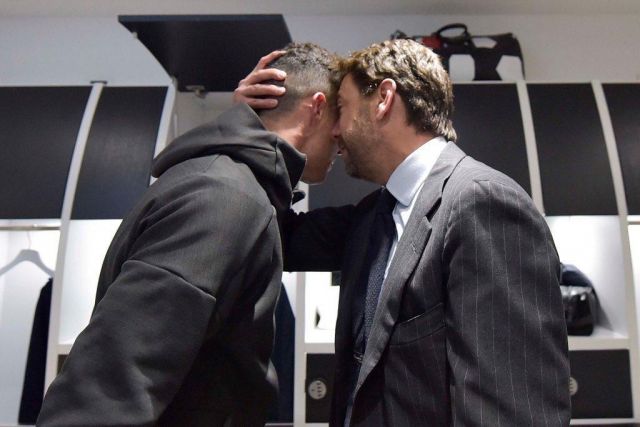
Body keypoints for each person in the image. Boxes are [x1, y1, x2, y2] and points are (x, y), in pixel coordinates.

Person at [236, 39, 571, 426]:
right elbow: (275, 234)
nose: (334, 132)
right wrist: (252, 130)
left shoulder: (482, 202)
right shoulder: (375, 215)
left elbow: (512, 410)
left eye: (341, 108)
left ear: (383, 98)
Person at [37, 42, 339, 427]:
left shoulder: (236, 190)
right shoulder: (223, 196)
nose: (343, 137)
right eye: (340, 115)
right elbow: (115, 379)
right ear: (316, 107)